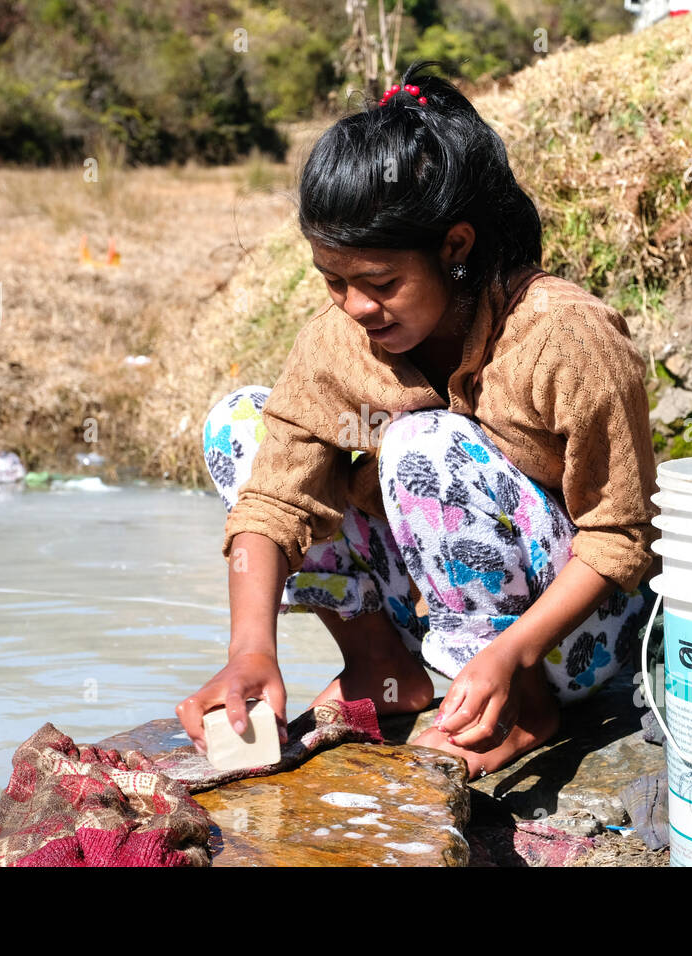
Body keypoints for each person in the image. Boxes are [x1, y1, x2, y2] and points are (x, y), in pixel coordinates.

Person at [177, 60, 661, 780]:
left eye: (379, 284)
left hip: (575, 635)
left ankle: (522, 707)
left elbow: (621, 536)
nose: (355, 307)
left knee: (420, 444)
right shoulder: (338, 343)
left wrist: (511, 654)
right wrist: (252, 650)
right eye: (333, 281)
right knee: (239, 421)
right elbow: (276, 497)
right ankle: (385, 667)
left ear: (455, 248)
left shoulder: (566, 338)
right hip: (440, 615)